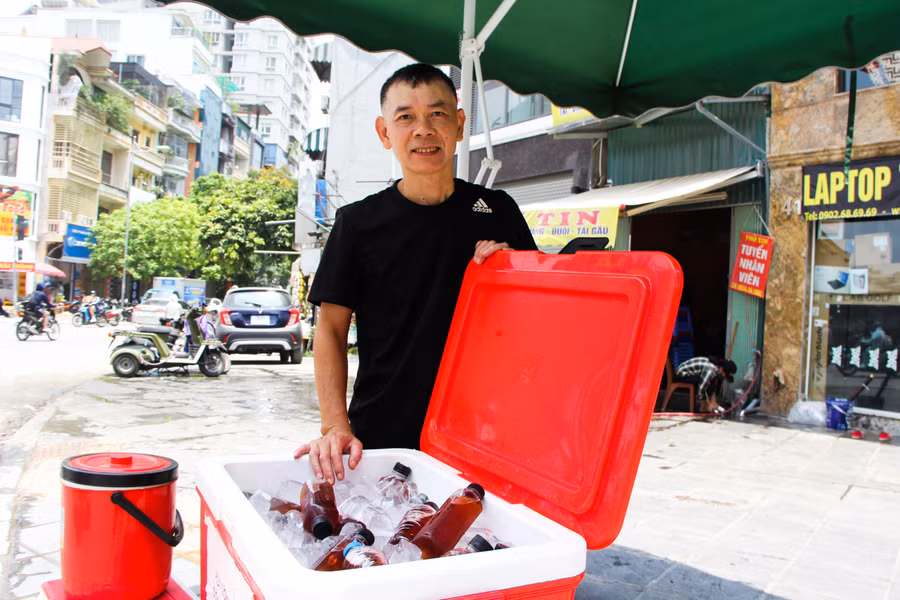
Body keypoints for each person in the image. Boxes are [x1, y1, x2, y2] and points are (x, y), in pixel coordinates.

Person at [294, 63, 537, 483]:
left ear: (459, 125)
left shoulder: (498, 211)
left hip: (484, 433)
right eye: (405, 117)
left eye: (437, 114)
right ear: (385, 132)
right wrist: (335, 426)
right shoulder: (357, 223)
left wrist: (511, 269)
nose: (423, 129)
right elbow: (330, 329)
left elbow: (537, 317)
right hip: (382, 433)